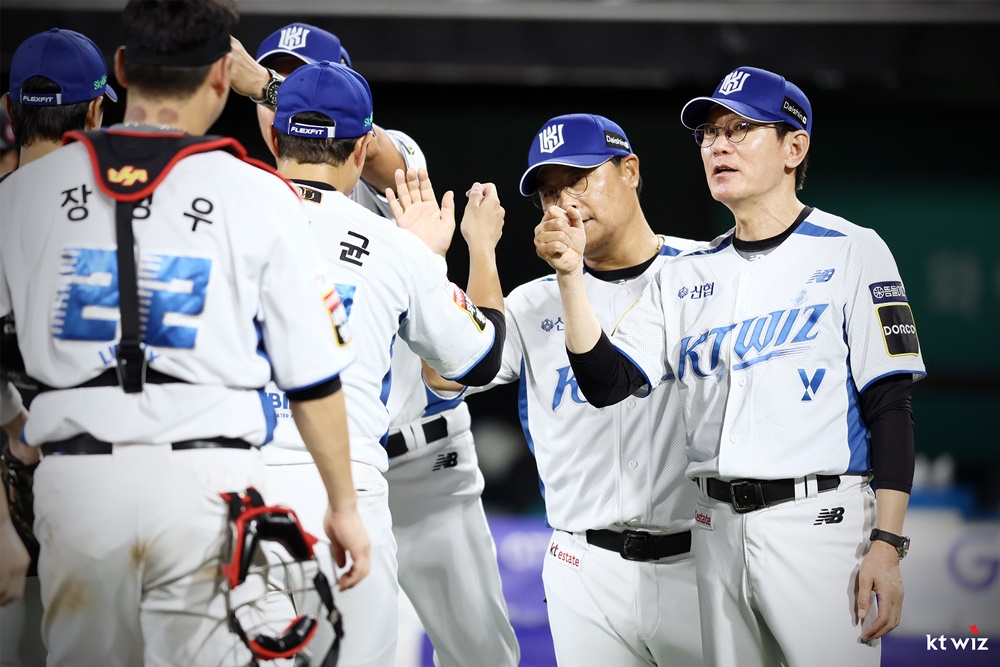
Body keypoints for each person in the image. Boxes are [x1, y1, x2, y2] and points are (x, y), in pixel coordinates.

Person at [0, 2, 370, 665]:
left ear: (120, 70)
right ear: (222, 80)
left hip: (79, 481)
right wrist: (343, 503)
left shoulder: (24, 195)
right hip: (208, 481)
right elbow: (312, 373)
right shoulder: (259, 193)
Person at [536, 67, 926, 666]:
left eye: (741, 129)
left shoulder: (852, 249)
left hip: (818, 524)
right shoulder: (688, 273)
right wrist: (569, 277)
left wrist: (888, 543)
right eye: (709, 133)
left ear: (794, 147)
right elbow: (606, 382)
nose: (718, 144)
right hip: (714, 531)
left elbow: (890, 406)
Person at [229, 24, 519, 666]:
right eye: (274, 85)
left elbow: (389, 158)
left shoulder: (389, 178)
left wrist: (271, 89)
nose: (278, 100)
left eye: (301, 82)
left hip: (420, 465)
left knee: (483, 656)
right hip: (307, 463)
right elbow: (483, 354)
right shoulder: (241, 200)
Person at [428, 113, 705, 666]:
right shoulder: (534, 302)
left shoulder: (706, 273)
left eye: (579, 178)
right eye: (550, 191)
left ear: (631, 171)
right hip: (585, 565)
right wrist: (477, 252)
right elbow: (448, 373)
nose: (564, 202)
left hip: (698, 559)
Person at [0, 26, 119, 667]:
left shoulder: (5, 207)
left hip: (40, 466)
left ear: (9, 109)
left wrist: (14, 421)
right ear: (97, 109)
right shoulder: (140, 204)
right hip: (148, 466)